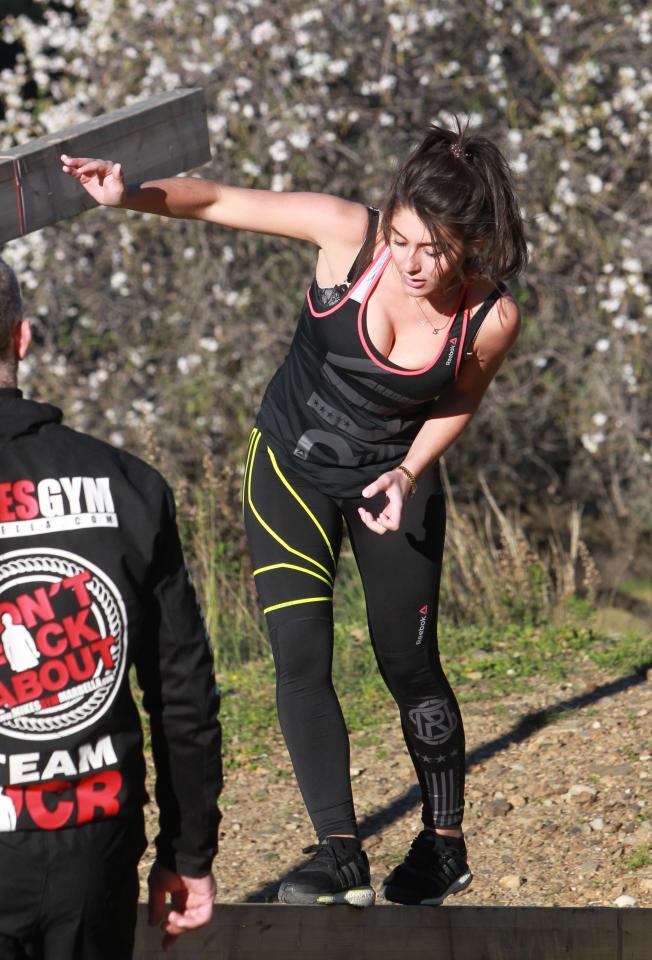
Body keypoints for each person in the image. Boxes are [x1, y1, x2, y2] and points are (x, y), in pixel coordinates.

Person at [61, 120, 525, 908]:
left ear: (472, 245)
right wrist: (125, 194)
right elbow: (215, 201)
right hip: (289, 468)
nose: (414, 265)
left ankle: (443, 845)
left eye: (437, 251)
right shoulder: (348, 236)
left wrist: (410, 472)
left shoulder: (491, 317)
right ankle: (339, 853)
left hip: (390, 485)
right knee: (300, 656)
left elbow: (461, 398)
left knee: (407, 663)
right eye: (406, 240)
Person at [0, 257, 222, 957]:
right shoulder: (128, 484)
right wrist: (188, 853)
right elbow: (182, 693)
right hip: (91, 844)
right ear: (23, 336)